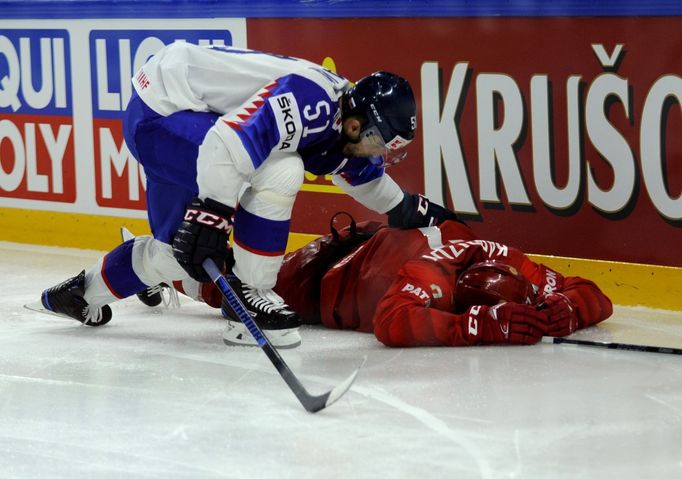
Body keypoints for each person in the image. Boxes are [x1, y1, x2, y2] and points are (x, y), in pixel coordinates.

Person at [39, 42, 457, 348]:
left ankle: (82, 293)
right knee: (281, 168)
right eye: (379, 142)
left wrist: (402, 207)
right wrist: (213, 212)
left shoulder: (344, 115)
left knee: (177, 254)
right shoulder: (310, 103)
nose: (381, 153)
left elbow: (360, 174)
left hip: (173, 109)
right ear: (355, 126)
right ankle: (251, 295)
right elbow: (225, 145)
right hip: (163, 113)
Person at [271, 214, 613, 347]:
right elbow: (389, 322)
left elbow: (595, 296)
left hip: (391, 242)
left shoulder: (514, 264)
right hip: (331, 271)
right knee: (231, 290)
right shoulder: (429, 273)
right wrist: (477, 327)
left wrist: (568, 309)